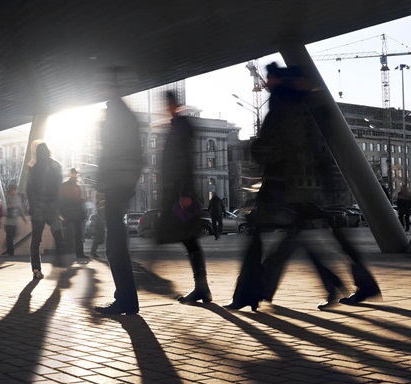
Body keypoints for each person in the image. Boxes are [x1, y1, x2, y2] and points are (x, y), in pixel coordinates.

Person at [226, 63, 380, 311]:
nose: (266, 82)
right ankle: (341, 285)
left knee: (285, 238)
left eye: (270, 78)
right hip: (303, 186)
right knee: (301, 239)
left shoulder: (291, 104)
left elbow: (288, 146)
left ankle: (252, 293)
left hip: (292, 187)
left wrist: (257, 149)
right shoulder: (302, 103)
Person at [156, 91, 213, 305]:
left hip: (181, 195)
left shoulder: (180, 127)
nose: (165, 107)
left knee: (189, 239)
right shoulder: (175, 126)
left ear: (174, 103)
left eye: (167, 103)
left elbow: (184, 162)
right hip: (177, 193)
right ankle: (202, 288)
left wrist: (185, 193)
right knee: (188, 240)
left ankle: (201, 288)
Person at [93, 92, 144, 315]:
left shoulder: (118, 118)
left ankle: (126, 299)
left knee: (115, 248)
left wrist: (113, 185)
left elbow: (116, 156)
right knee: (115, 246)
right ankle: (124, 296)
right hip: (117, 188)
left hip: (116, 188)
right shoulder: (123, 116)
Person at [27, 141, 66, 280]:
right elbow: (59, 189)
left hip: (38, 211)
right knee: (58, 236)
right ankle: (60, 264)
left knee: (36, 240)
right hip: (52, 210)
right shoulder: (56, 165)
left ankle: (36, 269)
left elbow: (29, 192)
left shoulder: (33, 168)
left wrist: (35, 205)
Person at [60, 168, 88, 259]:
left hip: (72, 213)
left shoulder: (73, 185)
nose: (75, 176)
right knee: (74, 233)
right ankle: (76, 253)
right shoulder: (73, 186)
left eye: (76, 174)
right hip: (71, 212)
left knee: (75, 233)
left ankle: (74, 253)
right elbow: (68, 199)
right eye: (74, 174)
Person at [4, 183, 27, 256]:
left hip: (14, 222)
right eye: (12, 190)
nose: (14, 192)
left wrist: (24, 219)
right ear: (10, 190)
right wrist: (12, 206)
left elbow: (20, 209)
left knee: (14, 235)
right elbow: (5, 207)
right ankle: (10, 252)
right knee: (10, 236)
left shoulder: (18, 198)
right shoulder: (7, 197)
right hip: (8, 222)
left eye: (15, 190)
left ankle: (8, 247)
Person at [90, 194, 106, 258]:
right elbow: (101, 215)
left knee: (99, 239)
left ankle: (93, 252)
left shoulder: (100, 203)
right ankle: (93, 252)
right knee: (97, 239)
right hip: (100, 224)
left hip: (99, 224)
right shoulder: (101, 204)